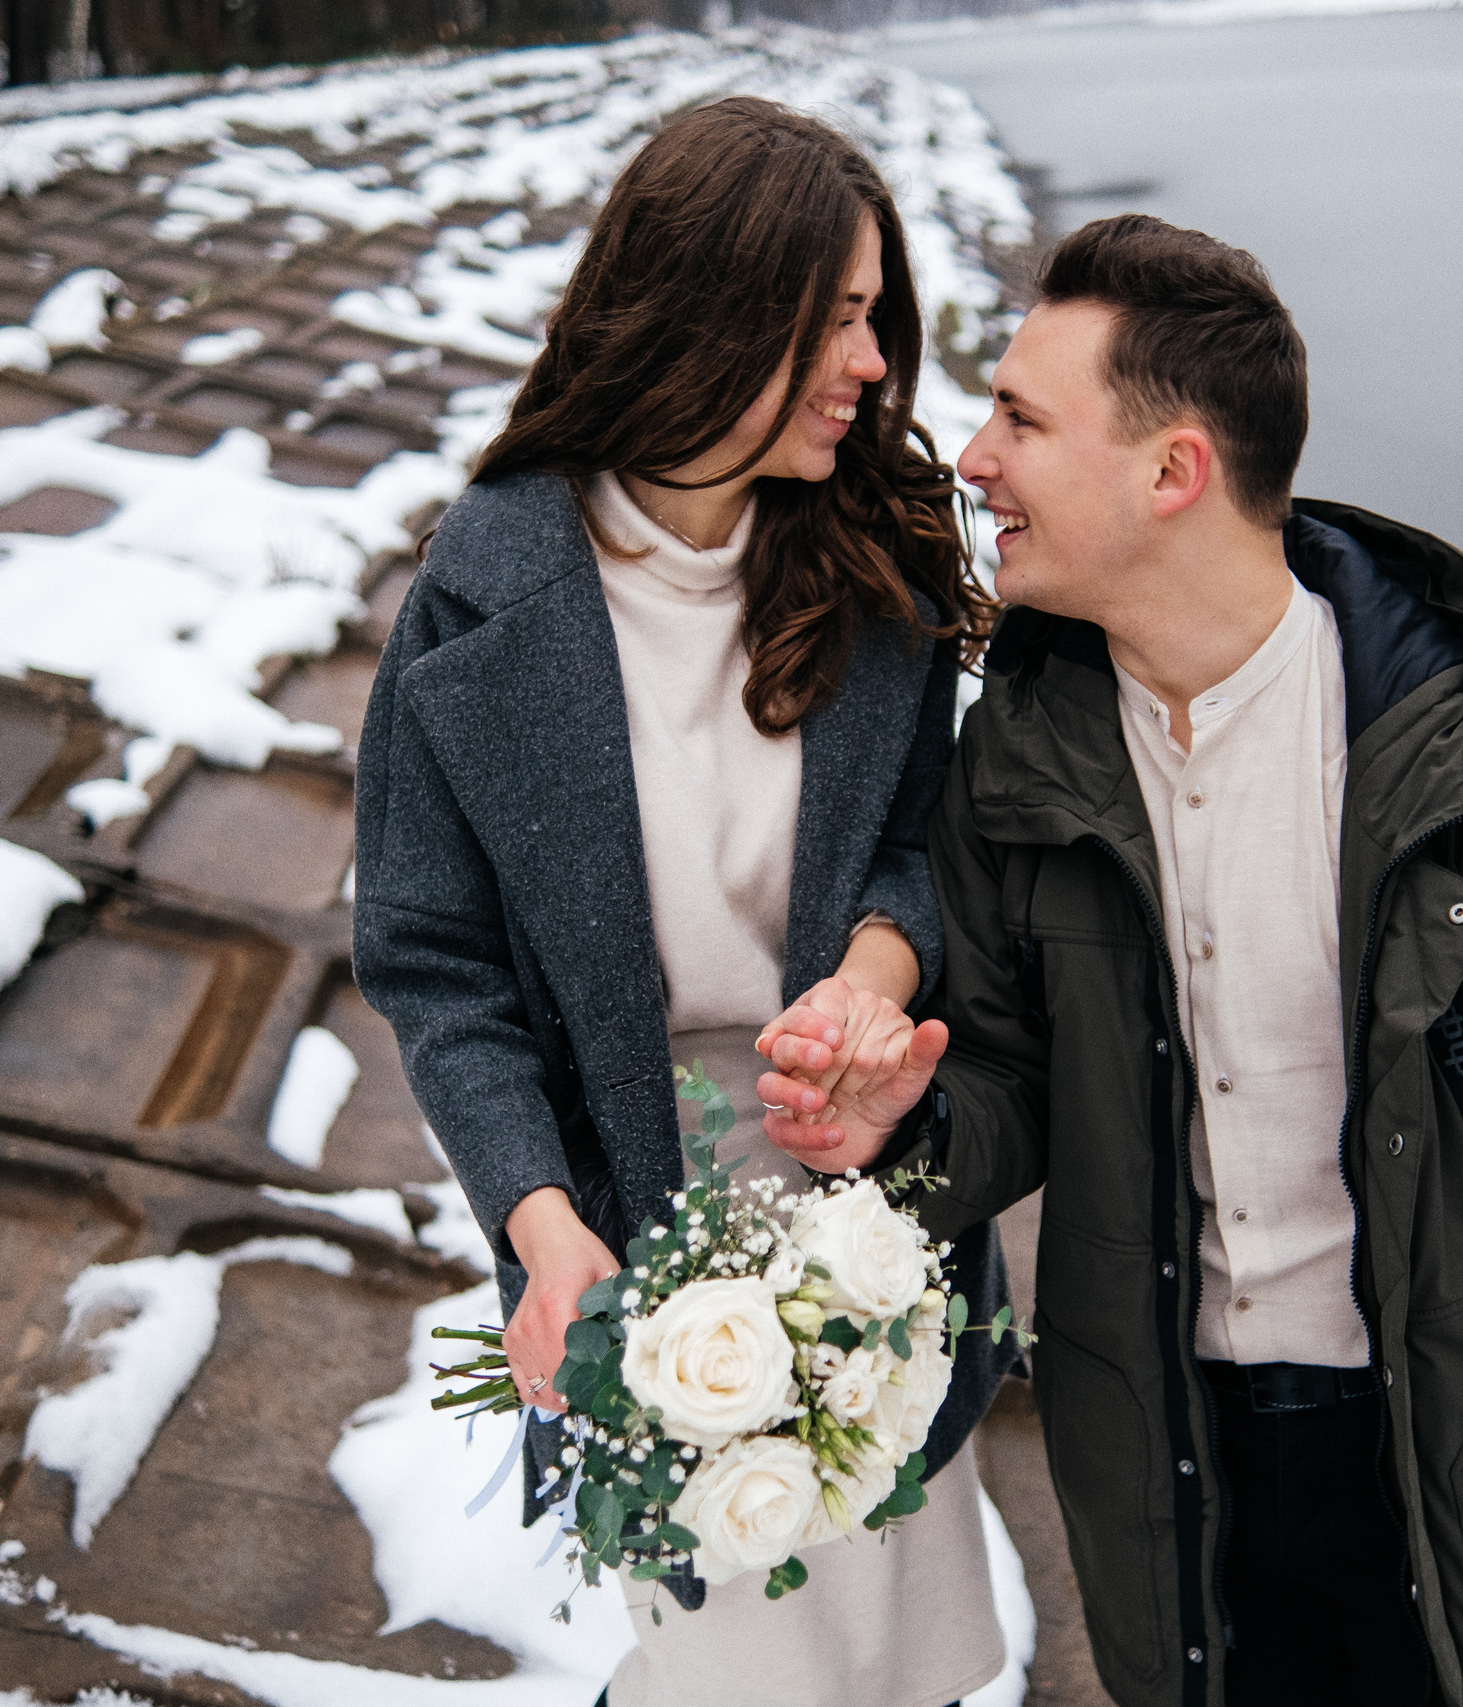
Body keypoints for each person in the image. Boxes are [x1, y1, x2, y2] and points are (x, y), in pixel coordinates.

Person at [758, 214, 1463, 1707]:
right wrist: (899, 1131)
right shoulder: (1019, 763)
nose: (973, 459)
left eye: (1022, 418)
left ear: (1174, 471)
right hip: (1173, 1476)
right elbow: (1011, 1083)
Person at [351, 97, 1013, 1707]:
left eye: (878, 319)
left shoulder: (881, 563)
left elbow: (929, 845)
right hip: (624, 1202)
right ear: (721, 317)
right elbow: (433, 968)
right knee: (736, 1646)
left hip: (862, 1168)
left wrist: (871, 968)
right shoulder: (480, 595)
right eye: (837, 320)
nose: (875, 365)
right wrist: (539, 1218)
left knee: (899, 1640)